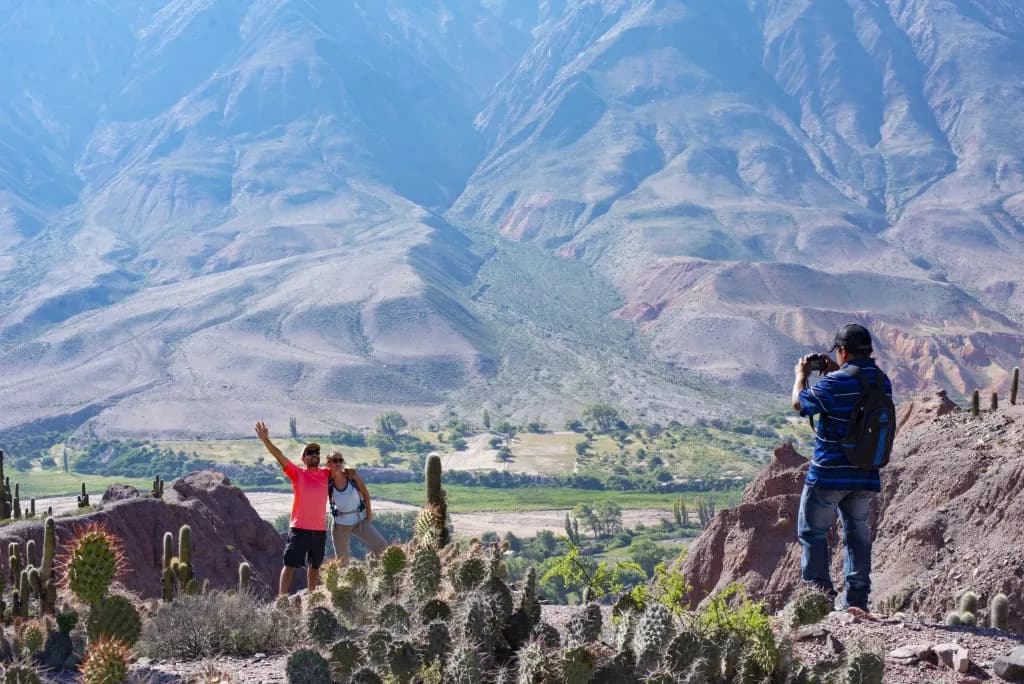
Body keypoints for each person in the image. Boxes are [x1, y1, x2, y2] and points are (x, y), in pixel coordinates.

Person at [790, 323, 893, 611]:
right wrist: (838, 369)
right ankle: (857, 600)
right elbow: (856, 389)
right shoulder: (881, 381)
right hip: (864, 473)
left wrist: (802, 375)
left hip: (828, 474)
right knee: (857, 534)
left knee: (813, 532)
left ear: (843, 351)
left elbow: (800, 404)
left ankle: (819, 598)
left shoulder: (833, 384)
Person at [255, 421, 330, 594]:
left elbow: (340, 466)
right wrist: (266, 440)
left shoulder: (326, 474)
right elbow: (279, 456)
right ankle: (282, 598)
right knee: (290, 565)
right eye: (310, 453)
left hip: (319, 529)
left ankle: (312, 597)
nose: (314, 455)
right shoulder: (298, 474)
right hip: (299, 528)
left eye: (317, 453)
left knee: (315, 566)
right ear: (303, 458)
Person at [325, 451, 388, 565]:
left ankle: (385, 573)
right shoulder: (327, 482)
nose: (338, 463)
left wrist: (369, 516)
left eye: (340, 460)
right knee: (342, 561)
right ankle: (344, 582)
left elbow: (365, 493)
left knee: (381, 546)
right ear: (328, 463)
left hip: (359, 520)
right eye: (335, 460)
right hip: (340, 525)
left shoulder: (351, 476)